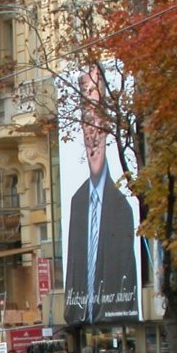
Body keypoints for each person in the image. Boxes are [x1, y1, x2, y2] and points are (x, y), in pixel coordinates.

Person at [63, 64, 140, 325]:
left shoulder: (124, 205)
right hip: (83, 313)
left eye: (98, 117)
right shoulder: (77, 201)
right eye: (86, 117)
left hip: (116, 311)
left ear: (109, 126)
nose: (92, 130)